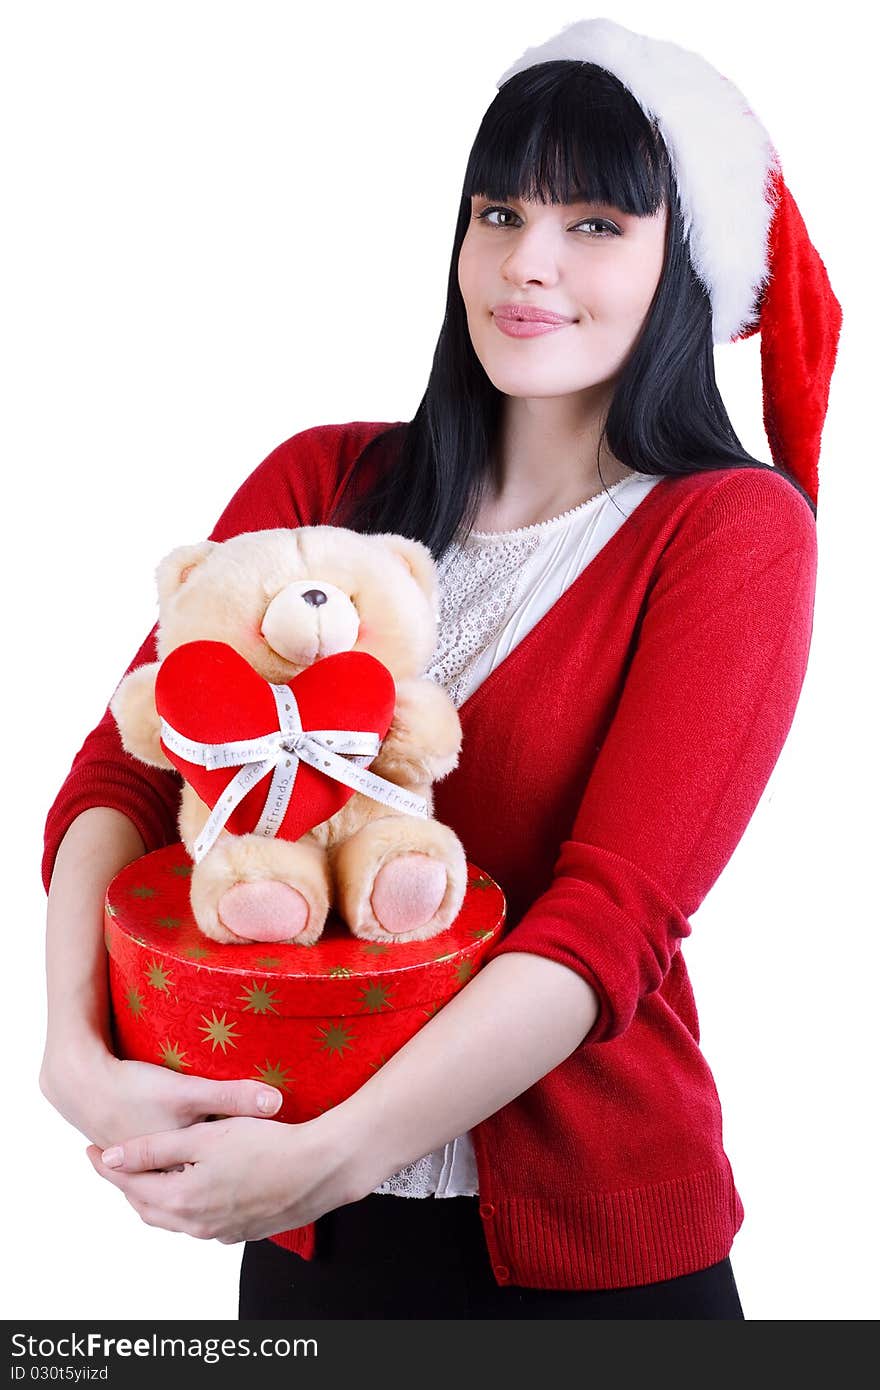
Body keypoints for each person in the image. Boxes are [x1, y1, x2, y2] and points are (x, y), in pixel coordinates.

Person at [40, 18, 841, 1320]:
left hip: (587, 1263)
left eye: (596, 224)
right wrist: (75, 1052)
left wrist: (327, 1153)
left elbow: (607, 924)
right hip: (308, 1246)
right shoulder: (323, 481)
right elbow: (123, 773)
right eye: (500, 209)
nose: (527, 264)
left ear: (684, 259)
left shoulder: (730, 534)